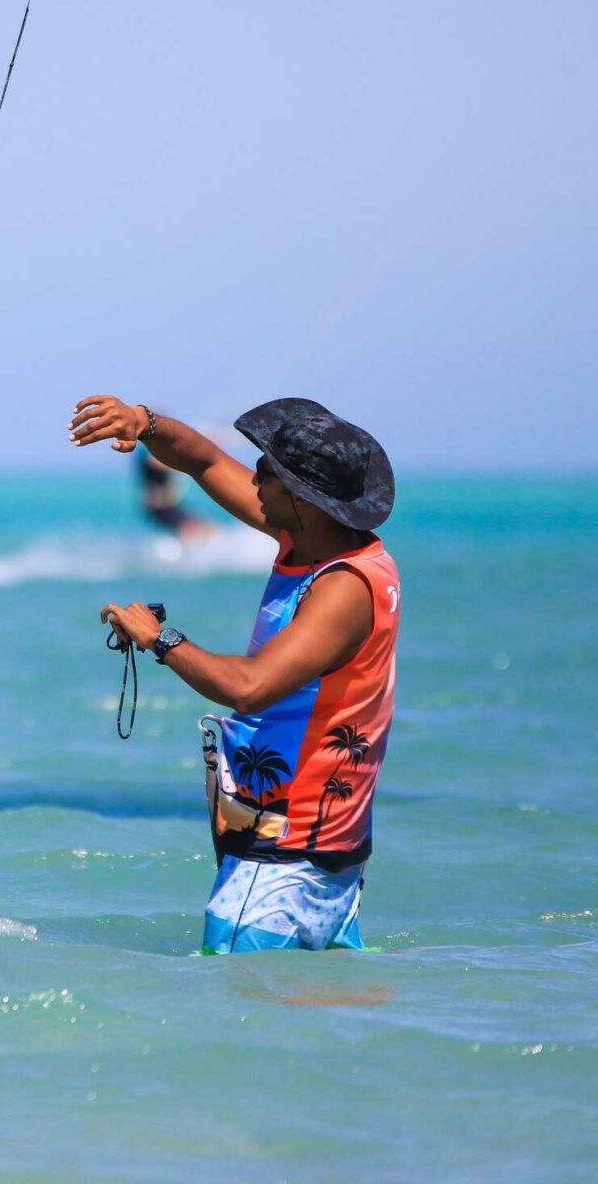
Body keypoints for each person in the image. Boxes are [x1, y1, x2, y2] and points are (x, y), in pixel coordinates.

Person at [70, 394, 400, 953]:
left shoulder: (345, 585)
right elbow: (202, 461)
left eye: (267, 474)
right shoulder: (318, 543)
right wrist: (144, 423)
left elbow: (251, 688)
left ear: (306, 500)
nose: (255, 482)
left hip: (283, 857)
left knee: (235, 1012)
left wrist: (160, 639)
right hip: (323, 852)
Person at [137, 448, 217, 545]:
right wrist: (185, 464)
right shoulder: (149, 453)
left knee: (201, 527)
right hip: (159, 505)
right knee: (187, 527)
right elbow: (154, 463)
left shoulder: (156, 452)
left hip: (169, 503)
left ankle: (197, 549)